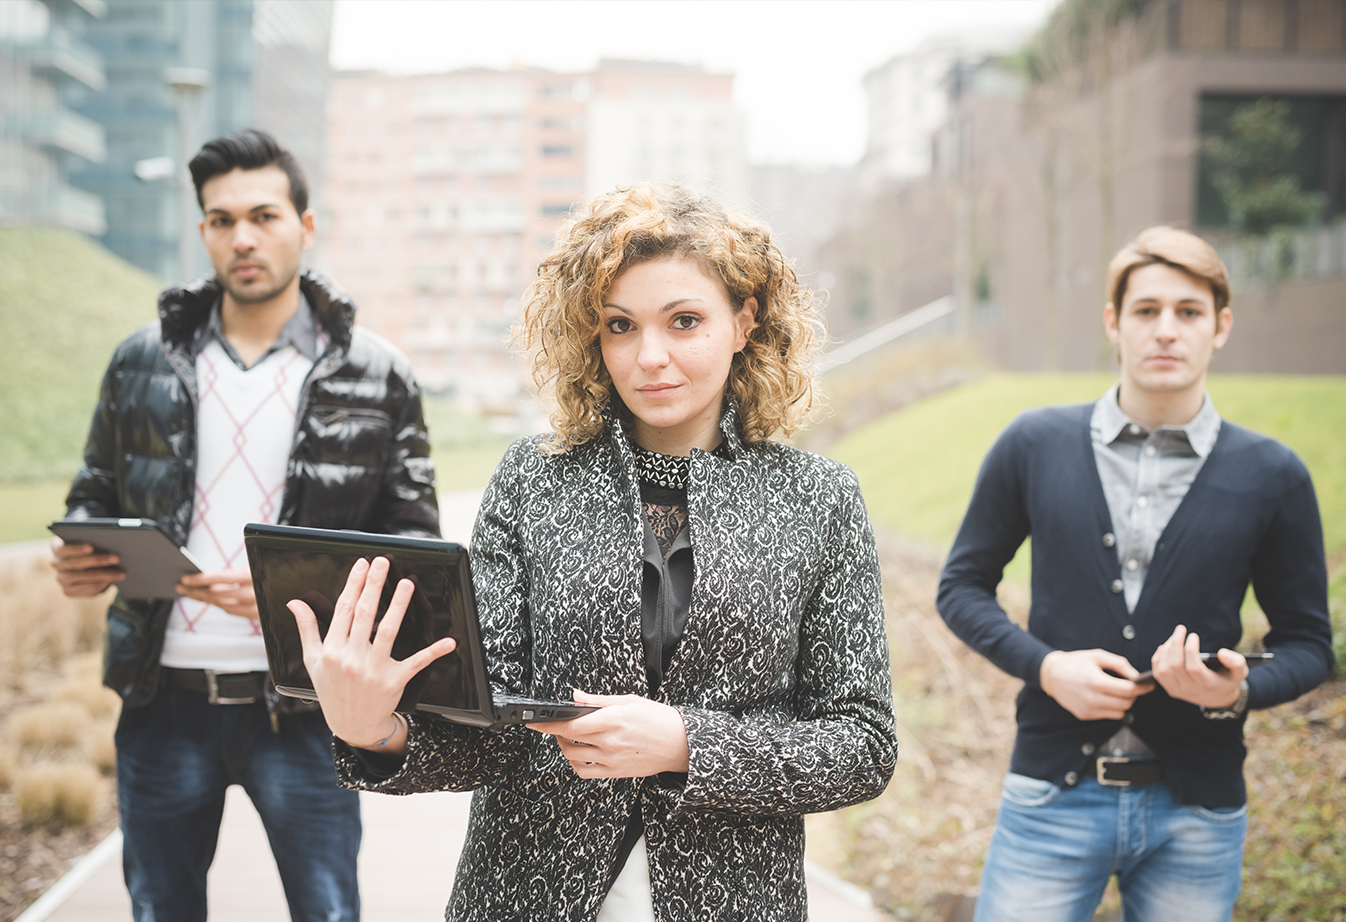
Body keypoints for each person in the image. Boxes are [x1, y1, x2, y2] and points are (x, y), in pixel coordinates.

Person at [288, 183, 898, 921]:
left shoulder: (820, 499)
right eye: (620, 325)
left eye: (684, 321)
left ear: (744, 322)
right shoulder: (532, 479)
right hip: (525, 894)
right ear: (591, 335)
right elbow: (490, 731)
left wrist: (685, 744)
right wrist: (377, 732)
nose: (651, 357)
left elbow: (862, 743)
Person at [50, 128, 439, 922]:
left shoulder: (377, 372)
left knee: (328, 912)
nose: (243, 237)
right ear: (203, 233)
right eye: (221, 220)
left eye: (263, 214)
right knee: (160, 909)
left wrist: (281, 595)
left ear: (306, 224)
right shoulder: (140, 361)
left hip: (304, 708)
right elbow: (93, 491)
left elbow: (416, 554)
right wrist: (81, 552)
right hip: (162, 700)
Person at [937, 226, 1333, 921]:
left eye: (1189, 312)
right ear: (1115, 324)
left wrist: (1232, 690)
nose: (1167, 331)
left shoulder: (1273, 475)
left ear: (1221, 327)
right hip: (1051, 797)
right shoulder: (1034, 444)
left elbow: (1308, 643)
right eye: (1147, 311)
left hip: (1197, 813)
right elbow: (961, 587)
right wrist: (1048, 667)